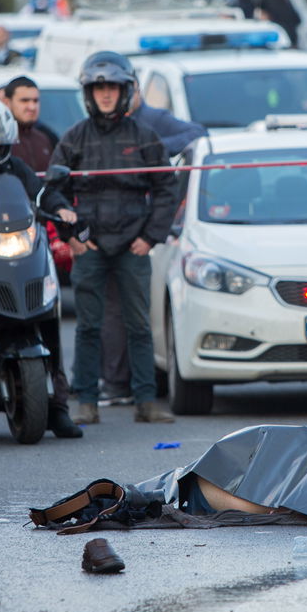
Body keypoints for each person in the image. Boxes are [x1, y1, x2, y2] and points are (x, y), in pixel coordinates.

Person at [50, 52, 177, 425]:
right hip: (89, 246)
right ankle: (86, 401)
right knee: (87, 326)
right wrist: (70, 235)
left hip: (133, 244)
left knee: (139, 324)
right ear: (88, 92)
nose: (106, 94)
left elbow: (167, 188)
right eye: (98, 87)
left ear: (126, 90)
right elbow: (52, 192)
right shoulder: (73, 138)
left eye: (113, 87)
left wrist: (150, 238)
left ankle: (146, 401)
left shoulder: (145, 137)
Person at [0, 97, 82, 438]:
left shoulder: (14, 167)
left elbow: (40, 194)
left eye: (0, 145)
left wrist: (62, 209)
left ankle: (57, 407)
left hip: (16, 252)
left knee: (48, 314)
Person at [96, 89, 207, 405]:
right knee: (111, 310)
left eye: (118, 89)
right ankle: (114, 381)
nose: (111, 96)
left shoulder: (153, 119)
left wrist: (150, 150)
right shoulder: (100, 126)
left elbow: (197, 133)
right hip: (112, 232)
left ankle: (138, 384)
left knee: (135, 308)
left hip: (145, 233)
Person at [1, 75, 60, 172]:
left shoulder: (45, 138)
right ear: (7, 102)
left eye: (35, 100)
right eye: (24, 101)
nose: (32, 107)